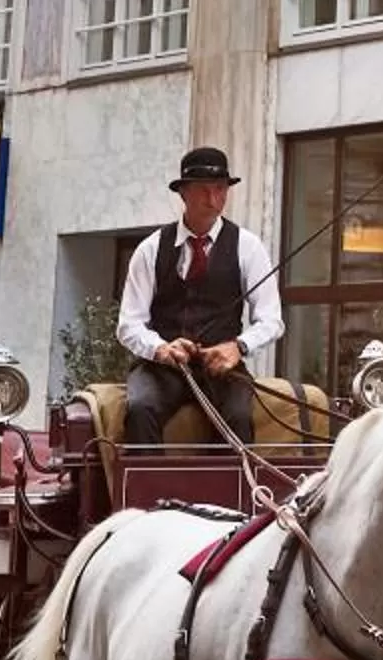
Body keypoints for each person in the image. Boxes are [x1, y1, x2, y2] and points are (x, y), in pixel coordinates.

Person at [115, 147, 282, 447]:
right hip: (161, 369)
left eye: (220, 189)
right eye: (204, 189)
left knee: (239, 417)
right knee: (140, 408)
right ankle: (147, 494)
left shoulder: (248, 246)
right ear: (183, 193)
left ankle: (233, 494)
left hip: (222, 367)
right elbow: (129, 324)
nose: (213, 198)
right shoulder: (150, 249)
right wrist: (161, 349)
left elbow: (271, 320)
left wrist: (238, 347)